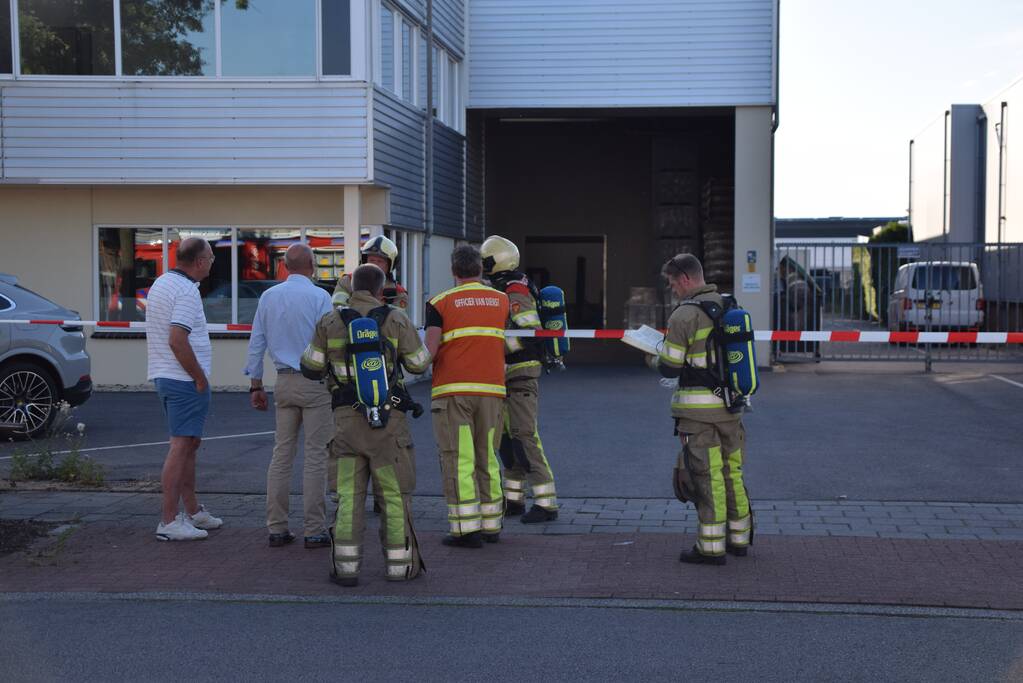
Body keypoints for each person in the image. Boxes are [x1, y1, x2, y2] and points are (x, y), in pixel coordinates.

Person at [301, 264, 432, 586]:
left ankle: (346, 568)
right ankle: (399, 567)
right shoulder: (396, 318)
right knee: (394, 495)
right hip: (389, 423)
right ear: (380, 288)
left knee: (348, 496)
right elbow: (418, 363)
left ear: (351, 286)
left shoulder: (330, 321)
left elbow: (310, 366)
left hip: (345, 422)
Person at [656, 253, 752, 565]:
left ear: (685, 279)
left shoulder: (684, 315)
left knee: (706, 476)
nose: (673, 290)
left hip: (699, 416)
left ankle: (710, 547)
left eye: (672, 284)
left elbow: (670, 367)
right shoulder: (729, 306)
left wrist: (653, 356)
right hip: (732, 409)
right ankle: (739, 538)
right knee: (731, 472)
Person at [245, 243, 334, 549]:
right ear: (312, 265)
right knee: (316, 457)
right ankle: (314, 529)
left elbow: (256, 341)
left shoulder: (268, 297)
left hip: (283, 381)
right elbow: (331, 342)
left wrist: (255, 384)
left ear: (284, 265)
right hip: (316, 382)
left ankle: (277, 527)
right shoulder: (321, 297)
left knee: (281, 456)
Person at [425, 245, 510, 548]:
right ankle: (492, 525)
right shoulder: (502, 301)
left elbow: (429, 353)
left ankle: (465, 529)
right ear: (481, 269)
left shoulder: (439, 302)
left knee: (459, 460)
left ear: (453, 271)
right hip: (492, 390)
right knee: (487, 457)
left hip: (453, 391)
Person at [146, 237, 222, 541]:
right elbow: (177, 338)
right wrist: (199, 377)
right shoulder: (188, 292)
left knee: (189, 444)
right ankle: (168, 520)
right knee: (180, 446)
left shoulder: (162, 283)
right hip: (183, 380)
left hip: (166, 376)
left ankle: (192, 511)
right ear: (200, 262)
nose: (213, 263)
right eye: (212, 258)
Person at [480, 235, 559, 523]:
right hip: (504, 374)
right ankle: (514, 500)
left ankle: (546, 503)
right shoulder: (504, 286)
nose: (483, 266)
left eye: (486, 261)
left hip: (520, 371)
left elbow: (529, 332)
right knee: (505, 439)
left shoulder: (514, 289)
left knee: (524, 437)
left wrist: (494, 347)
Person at [332, 235, 409, 310]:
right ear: (364, 261)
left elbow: (397, 320)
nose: (374, 264)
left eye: (380, 261)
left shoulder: (397, 292)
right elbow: (338, 310)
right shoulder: (347, 282)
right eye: (371, 260)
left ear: (390, 265)